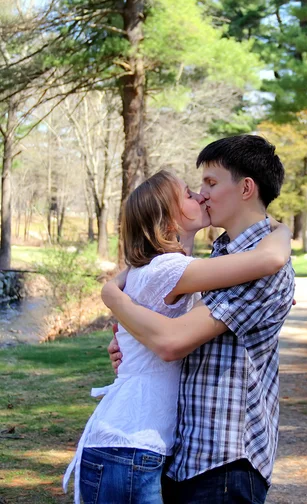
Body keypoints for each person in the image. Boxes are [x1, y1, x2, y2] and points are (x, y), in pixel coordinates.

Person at [63, 166, 292, 504]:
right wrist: (282, 229)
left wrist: (113, 294)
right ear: (168, 221)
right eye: (188, 193)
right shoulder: (169, 269)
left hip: (138, 444)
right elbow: (269, 258)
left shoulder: (165, 268)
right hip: (128, 443)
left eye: (207, 185)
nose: (200, 194)